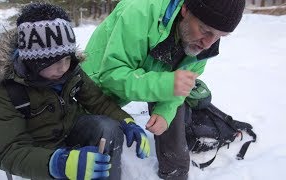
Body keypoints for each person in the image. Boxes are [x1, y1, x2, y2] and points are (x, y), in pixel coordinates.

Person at [81, 0, 245, 179]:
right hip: (90, 90)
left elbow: (183, 84)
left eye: (220, 36)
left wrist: (164, 111)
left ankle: (175, 171)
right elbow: (111, 75)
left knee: (177, 95)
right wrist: (166, 84)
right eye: (205, 31)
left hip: (146, 76)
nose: (208, 44)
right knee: (103, 135)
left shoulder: (202, 43)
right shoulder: (139, 13)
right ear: (185, 9)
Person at [0, 3, 150, 180]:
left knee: (108, 127)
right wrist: (58, 163)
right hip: (40, 151)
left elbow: (98, 102)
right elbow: (9, 153)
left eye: (66, 57)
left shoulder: (71, 71)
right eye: (54, 61)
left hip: (71, 129)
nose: (63, 67)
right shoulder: (6, 90)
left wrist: (126, 121)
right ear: (33, 62)